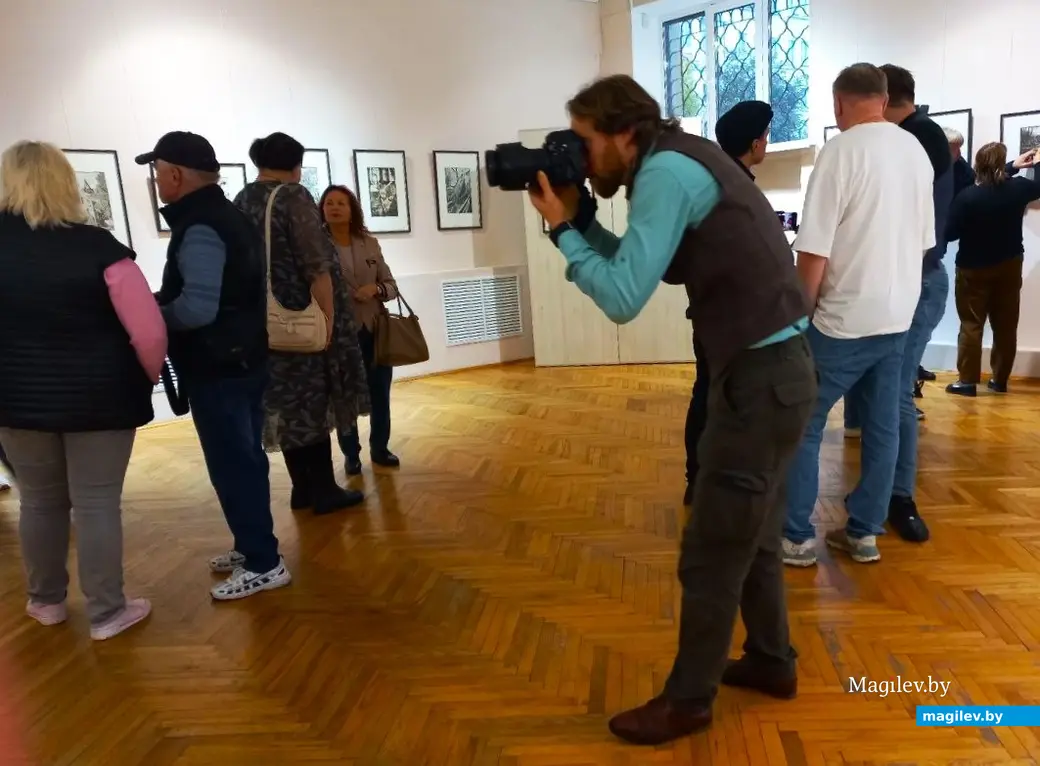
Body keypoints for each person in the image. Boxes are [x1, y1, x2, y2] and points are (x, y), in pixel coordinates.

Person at [528, 74, 815, 747]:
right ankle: (773, 662)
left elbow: (623, 296)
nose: (578, 155)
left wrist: (567, 229)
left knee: (713, 552)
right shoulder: (680, 158)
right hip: (773, 374)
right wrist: (579, 225)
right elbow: (636, 264)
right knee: (758, 539)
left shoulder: (664, 173)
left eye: (583, 141)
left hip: (759, 380)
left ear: (623, 133)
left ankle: (688, 702)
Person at [0, 140, 166, 639]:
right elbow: (150, 332)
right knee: (96, 504)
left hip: (14, 401)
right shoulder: (101, 249)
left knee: (38, 502)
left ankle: (45, 601)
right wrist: (148, 377)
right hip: (101, 400)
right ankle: (106, 612)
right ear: (65, 183)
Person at [782, 64, 934, 567]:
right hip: (897, 315)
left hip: (843, 319)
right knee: (884, 423)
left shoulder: (840, 151)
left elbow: (814, 252)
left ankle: (797, 537)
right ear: (885, 98)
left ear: (838, 104)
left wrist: (799, 319)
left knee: (802, 423)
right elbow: (924, 243)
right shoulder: (914, 151)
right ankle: (864, 533)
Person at [138, 131, 290, 601]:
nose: (157, 181)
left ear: (176, 174)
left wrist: (145, 317)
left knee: (233, 464)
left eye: (159, 171)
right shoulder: (228, 216)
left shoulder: (200, 225)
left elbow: (198, 309)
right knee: (244, 460)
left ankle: (265, 563)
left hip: (220, 367)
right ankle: (253, 546)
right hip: (241, 359)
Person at [840, 64, 952, 543]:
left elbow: (917, 230)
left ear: (883, 101)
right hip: (905, 282)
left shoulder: (917, 138)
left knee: (896, 397)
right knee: (885, 397)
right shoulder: (916, 138)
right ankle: (876, 502)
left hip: (913, 283)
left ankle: (898, 499)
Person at [235, 134, 371, 514]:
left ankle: (302, 488)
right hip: (301, 319)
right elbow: (317, 267)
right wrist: (327, 323)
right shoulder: (293, 197)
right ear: (296, 164)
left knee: (286, 405)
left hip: (266, 320)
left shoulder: (244, 198)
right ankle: (324, 489)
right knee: (311, 402)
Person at [680, 99, 775, 506]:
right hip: (729, 317)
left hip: (715, 313)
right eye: (766, 137)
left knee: (711, 393)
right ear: (754, 144)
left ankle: (702, 478)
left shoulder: (719, 182)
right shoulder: (732, 189)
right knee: (719, 396)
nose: (767, 144)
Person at [945, 143, 1040, 396]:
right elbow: (1038, 185)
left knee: (971, 324)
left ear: (977, 164)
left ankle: (966, 383)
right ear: (1001, 164)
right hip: (1009, 264)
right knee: (1006, 325)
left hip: (972, 267)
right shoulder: (1017, 189)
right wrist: (1037, 162)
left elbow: (950, 232)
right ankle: (999, 380)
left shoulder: (967, 197)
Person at [318, 185, 401, 475]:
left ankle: (380, 447)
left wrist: (376, 288)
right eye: (329, 203)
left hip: (375, 330)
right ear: (322, 210)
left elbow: (391, 286)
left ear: (352, 209)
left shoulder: (369, 243)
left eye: (341, 202)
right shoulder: (316, 246)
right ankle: (351, 454)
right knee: (344, 395)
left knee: (380, 392)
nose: (335, 207)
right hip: (339, 334)